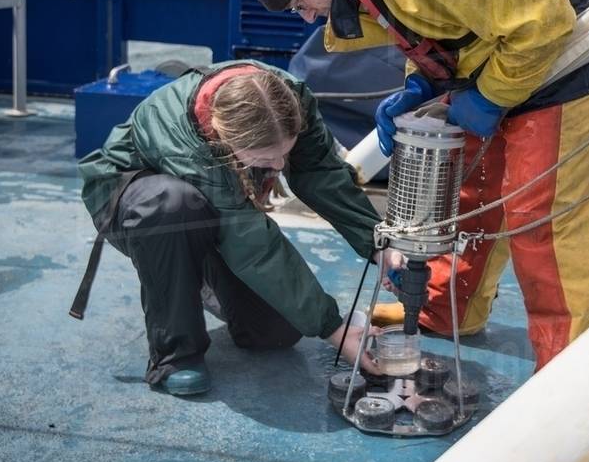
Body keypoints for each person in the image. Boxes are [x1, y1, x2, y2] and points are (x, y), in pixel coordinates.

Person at [234, 0, 589, 370]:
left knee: (543, 209)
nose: (309, 17)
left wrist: (488, 98)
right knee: (467, 182)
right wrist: (423, 81)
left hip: (573, 38)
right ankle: (448, 309)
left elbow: (543, 23)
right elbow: (438, 15)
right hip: (506, 42)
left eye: (298, 2)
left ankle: (573, 366)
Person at [75, 59, 395, 395]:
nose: (280, 165)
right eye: (266, 159)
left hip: (213, 210)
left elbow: (321, 174)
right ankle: (175, 355)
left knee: (275, 333)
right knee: (174, 204)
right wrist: (334, 328)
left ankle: (199, 275)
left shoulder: (287, 99)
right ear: (223, 137)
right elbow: (250, 240)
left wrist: (379, 243)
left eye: (284, 153)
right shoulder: (183, 135)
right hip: (138, 204)